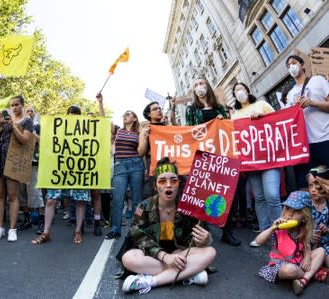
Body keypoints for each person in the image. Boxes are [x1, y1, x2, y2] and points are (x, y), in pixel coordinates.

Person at [120, 157, 216, 294]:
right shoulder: (143, 206)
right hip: (154, 256)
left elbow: (193, 240)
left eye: (174, 180)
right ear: (155, 186)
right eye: (162, 181)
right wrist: (165, 257)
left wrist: (205, 240)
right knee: (128, 258)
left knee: (210, 252)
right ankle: (189, 273)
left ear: (179, 183)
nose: (169, 185)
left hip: (179, 253)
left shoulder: (189, 207)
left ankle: (149, 281)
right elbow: (139, 237)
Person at [185, 78, 241, 246]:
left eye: (201, 84)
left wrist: (222, 120)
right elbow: (191, 131)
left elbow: (228, 129)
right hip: (204, 156)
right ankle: (203, 230)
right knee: (204, 193)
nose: (199, 87)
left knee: (229, 193)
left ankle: (227, 231)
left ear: (207, 86)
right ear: (194, 91)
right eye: (195, 85)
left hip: (223, 154)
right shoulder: (192, 109)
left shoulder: (220, 108)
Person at [231, 82, 281, 246]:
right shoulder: (235, 115)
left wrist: (262, 116)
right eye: (236, 90)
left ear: (247, 91)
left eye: (242, 89)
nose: (240, 92)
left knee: (272, 195)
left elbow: (280, 121)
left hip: (269, 158)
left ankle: (280, 234)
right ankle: (264, 232)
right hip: (251, 164)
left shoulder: (261, 104)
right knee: (259, 197)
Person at [31, 105, 90, 245]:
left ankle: (78, 231)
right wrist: (33, 131)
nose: (73, 116)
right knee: (51, 199)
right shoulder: (57, 129)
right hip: (59, 169)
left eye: (76, 114)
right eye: (70, 114)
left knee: (80, 201)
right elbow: (47, 142)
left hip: (78, 170)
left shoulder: (86, 131)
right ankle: (46, 232)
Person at [254, 191, 325, 295]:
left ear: (304, 218)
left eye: (296, 211)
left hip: (298, 261)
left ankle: (302, 281)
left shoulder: (304, 229)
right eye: (287, 209)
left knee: (321, 251)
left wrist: (307, 258)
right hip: (280, 265)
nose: (290, 214)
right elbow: (258, 241)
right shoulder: (278, 227)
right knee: (290, 270)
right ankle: (311, 274)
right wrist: (272, 228)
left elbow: (307, 246)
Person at [96, 93, 144, 239]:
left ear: (134, 118)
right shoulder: (118, 130)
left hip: (136, 165)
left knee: (137, 201)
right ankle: (115, 229)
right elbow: (104, 120)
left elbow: (142, 150)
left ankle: (136, 228)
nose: (125, 116)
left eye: (128, 114)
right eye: (124, 114)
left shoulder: (139, 132)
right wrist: (100, 102)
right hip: (120, 166)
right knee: (117, 198)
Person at [0, 95, 33, 242]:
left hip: (14, 160)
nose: (14, 108)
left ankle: (12, 228)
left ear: (22, 105)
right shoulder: (5, 119)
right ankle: (0, 227)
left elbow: (25, 140)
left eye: (16, 105)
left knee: (13, 195)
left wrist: (13, 126)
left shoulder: (27, 121)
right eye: (12, 105)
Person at [285, 55, 329, 190]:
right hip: (305, 147)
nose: (291, 66)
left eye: (294, 62)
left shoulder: (318, 80)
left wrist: (313, 102)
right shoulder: (290, 95)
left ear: (303, 65)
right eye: (288, 65)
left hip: (325, 139)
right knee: (314, 187)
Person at [308, 167, 329, 270]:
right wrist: (309, 233)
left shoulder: (327, 205)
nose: (313, 190)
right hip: (307, 245)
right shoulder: (306, 205)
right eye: (310, 185)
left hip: (326, 243)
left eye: (318, 186)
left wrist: (327, 229)